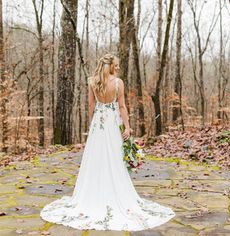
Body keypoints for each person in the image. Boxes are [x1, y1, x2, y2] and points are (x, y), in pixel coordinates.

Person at [40, 53, 176, 231]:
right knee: (113, 157)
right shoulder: (118, 83)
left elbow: (91, 106)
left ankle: (93, 194)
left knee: (96, 157)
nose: (118, 68)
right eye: (117, 65)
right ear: (110, 65)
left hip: (99, 124)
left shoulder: (92, 81)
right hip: (112, 124)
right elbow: (122, 107)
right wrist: (127, 127)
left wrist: (92, 124)